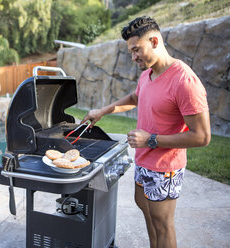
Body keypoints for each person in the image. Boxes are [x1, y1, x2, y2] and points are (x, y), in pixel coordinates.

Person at [82, 16, 211, 248]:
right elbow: (135, 97)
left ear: (154, 41)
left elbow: (202, 136)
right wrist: (103, 111)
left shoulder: (185, 81)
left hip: (165, 168)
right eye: (131, 52)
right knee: (149, 218)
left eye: (136, 50)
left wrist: (150, 139)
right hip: (144, 161)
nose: (133, 57)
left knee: (163, 225)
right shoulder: (147, 74)